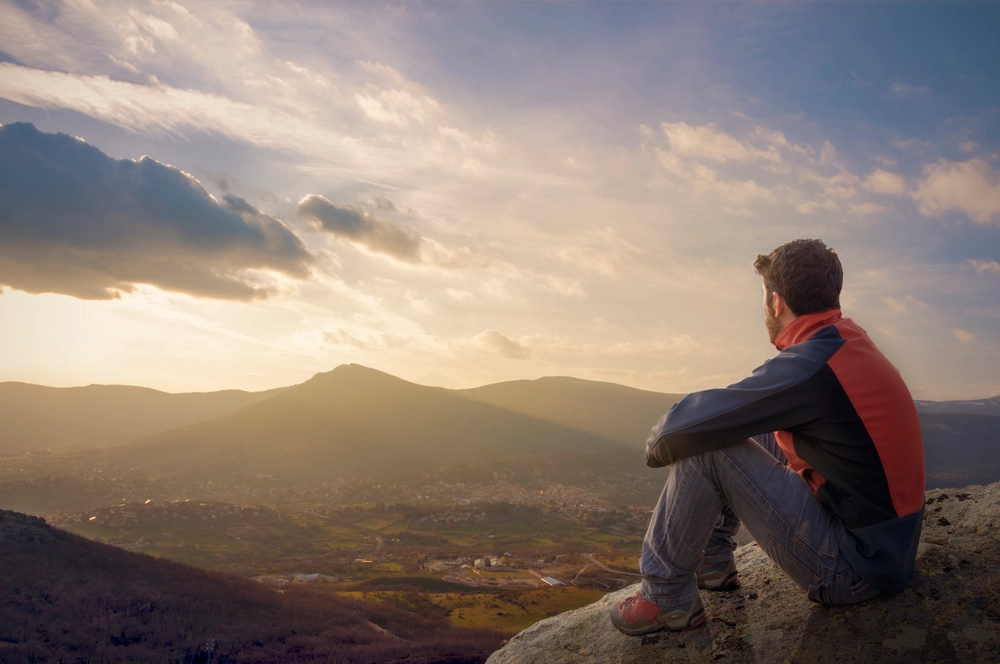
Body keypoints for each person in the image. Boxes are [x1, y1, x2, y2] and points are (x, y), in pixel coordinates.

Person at [610, 239, 925, 635]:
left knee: (708, 446)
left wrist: (658, 445)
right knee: (750, 424)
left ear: (776, 303)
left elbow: (675, 432)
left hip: (855, 570)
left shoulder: (812, 365)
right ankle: (711, 562)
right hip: (885, 552)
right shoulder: (844, 342)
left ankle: (666, 598)